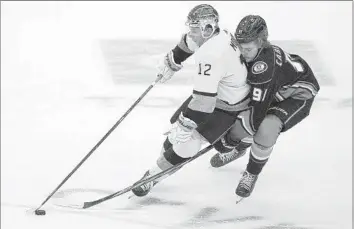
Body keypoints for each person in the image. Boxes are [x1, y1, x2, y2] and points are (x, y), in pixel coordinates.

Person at [131, 4, 251, 197]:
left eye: (195, 28)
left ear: (208, 27)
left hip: (226, 106)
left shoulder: (211, 55)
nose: (191, 32)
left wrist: (185, 125)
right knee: (174, 137)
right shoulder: (217, 34)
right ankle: (157, 170)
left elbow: (204, 105)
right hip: (215, 95)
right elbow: (190, 42)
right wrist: (172, 61)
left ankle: (153, 176)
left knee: (188, 143)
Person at [209, 15, 320, 201]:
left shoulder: (264, 67)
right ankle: (240, 149)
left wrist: (228, 140)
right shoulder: (252, 52)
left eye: (248, 48)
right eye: (240, 46)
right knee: (246, 115)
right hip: (275, 89)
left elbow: (254, 118)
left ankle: (251, 172)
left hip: (298, 94)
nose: (243, 53)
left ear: (262, 42)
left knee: (265, 128)